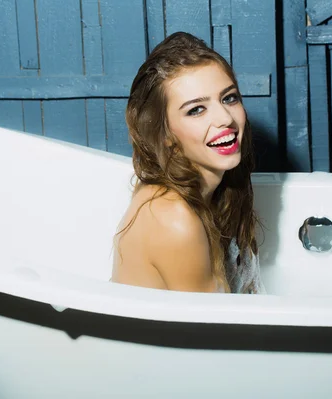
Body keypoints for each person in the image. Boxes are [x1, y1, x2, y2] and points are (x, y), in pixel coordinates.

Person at [110, 32, 265, 294]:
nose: (225, 118)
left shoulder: (206, 192)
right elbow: (214, 331)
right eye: (196, 110)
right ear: (165, 135)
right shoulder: (175, 218)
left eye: (229, 98)